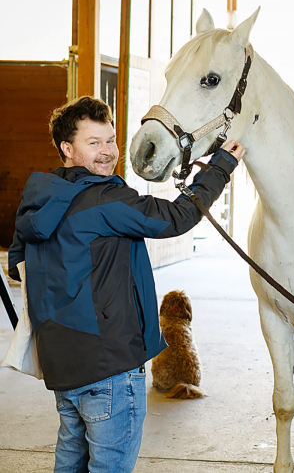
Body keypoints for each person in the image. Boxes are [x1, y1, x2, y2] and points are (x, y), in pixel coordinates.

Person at [7, 96, 245, 473]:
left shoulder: (39, 197)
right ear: (67, 148)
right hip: (109, 368)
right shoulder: (105, 199)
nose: (107, 153)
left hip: (62, 368)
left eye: (111, 140)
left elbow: (15, 264)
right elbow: (178, 218)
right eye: (94, 142)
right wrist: (222, 165)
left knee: (70, 460)